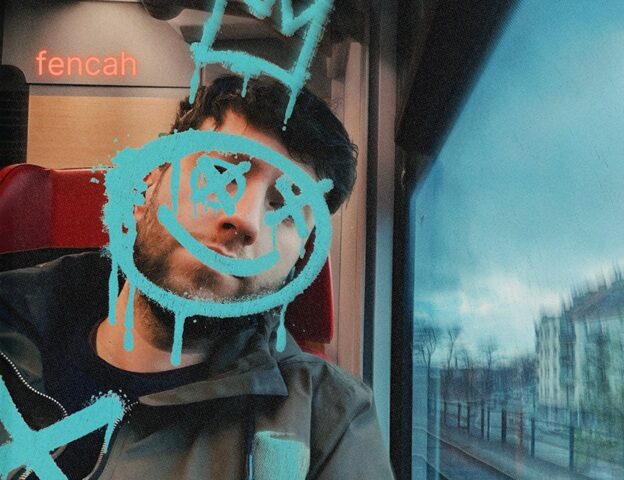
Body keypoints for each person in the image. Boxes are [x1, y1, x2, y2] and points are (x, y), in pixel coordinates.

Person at [0, 75, 395, 479]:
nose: (245, 219)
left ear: (296, 264)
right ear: (148, 188)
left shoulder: (330, 426)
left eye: (286, 209)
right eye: (220, 171)